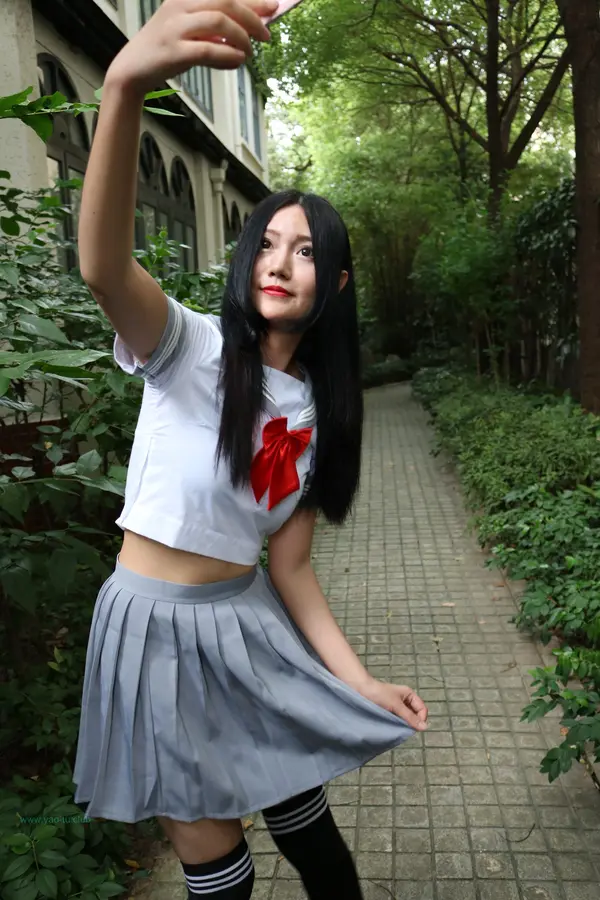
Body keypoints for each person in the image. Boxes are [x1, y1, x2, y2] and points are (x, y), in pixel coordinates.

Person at [72, 1, 429, 897]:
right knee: (221, 876)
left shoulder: (324, 412)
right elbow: (104, 268)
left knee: (313, 839)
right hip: (151, 633)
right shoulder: (188, 348)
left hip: (248, 626)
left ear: (334, 282)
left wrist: (360, 681)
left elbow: (293, 569)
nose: (278, 260)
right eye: (266, 241)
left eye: (304, 251)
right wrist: (124, 86)